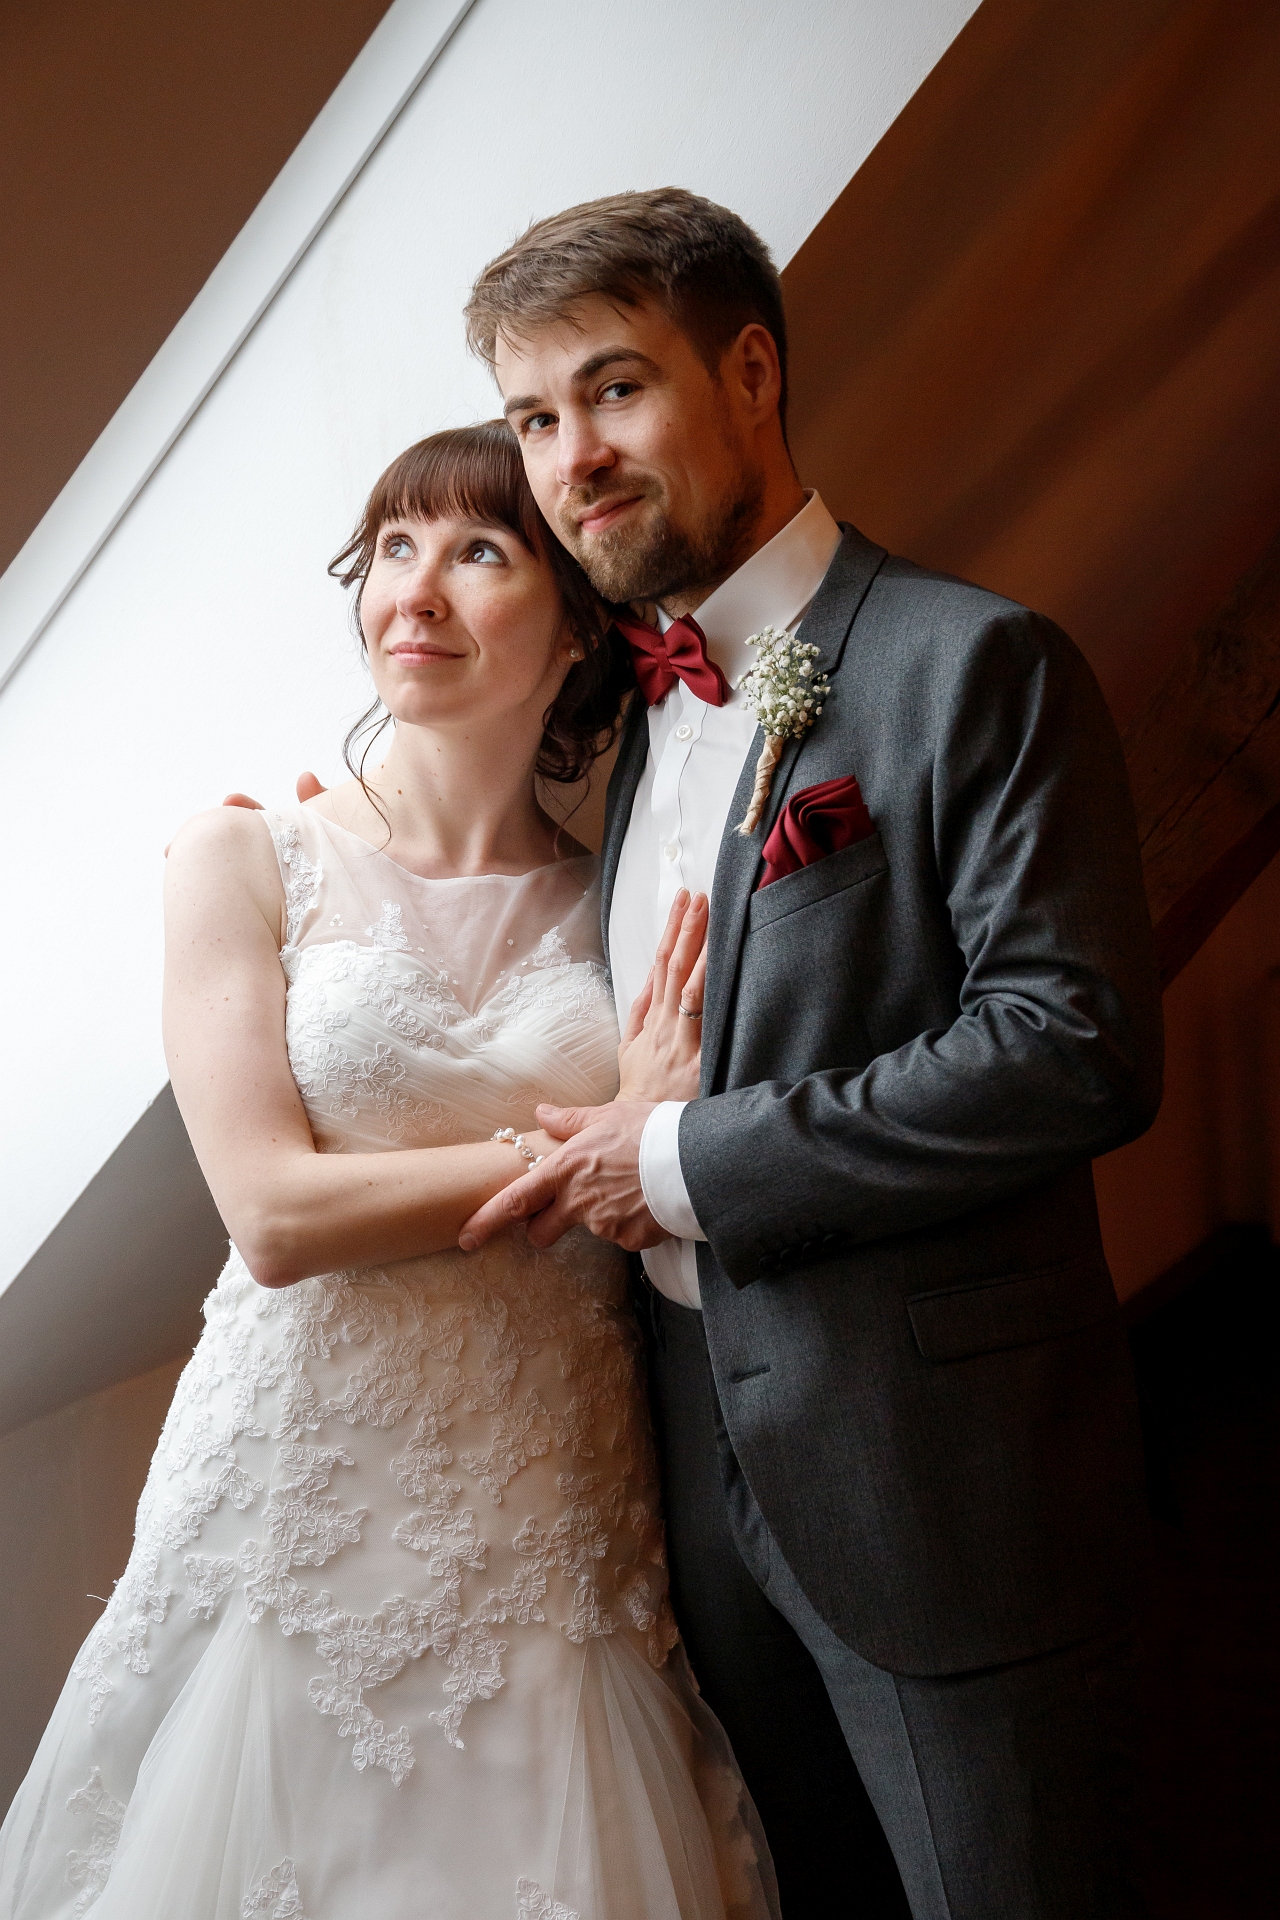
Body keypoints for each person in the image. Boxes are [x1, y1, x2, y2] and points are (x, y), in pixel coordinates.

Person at [456, 189, 1165, 1918]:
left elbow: (1073, 1045)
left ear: (753, 373)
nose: (570, 461)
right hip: (694, 1479)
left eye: (614, 391)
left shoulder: (970, 661)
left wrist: (683, 1163)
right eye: (533, 420)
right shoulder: (637, 723)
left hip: (938, 1482)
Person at [0, 424, 780, 1920]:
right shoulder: (243, 857)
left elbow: (674, 1185)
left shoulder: (626, 903)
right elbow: (274, 1216)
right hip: (299, 1496)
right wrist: (587, 1144)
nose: (413, 591)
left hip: (545, 1503)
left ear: (577, 627)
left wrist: (648, 1147)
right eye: (392, 550)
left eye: (477, 552)